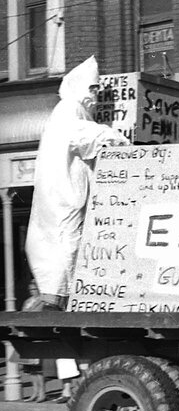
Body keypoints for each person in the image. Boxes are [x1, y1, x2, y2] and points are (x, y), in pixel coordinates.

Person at [25, 55, 129, 312]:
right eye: (91, 88)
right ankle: (63, 300)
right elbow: (82, 135)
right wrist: (116, 137)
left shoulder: (74, 111)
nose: (95, 95)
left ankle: (62, 299)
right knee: (66, 247)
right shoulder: (69, 109)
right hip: (64, 197)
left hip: (64, 196)